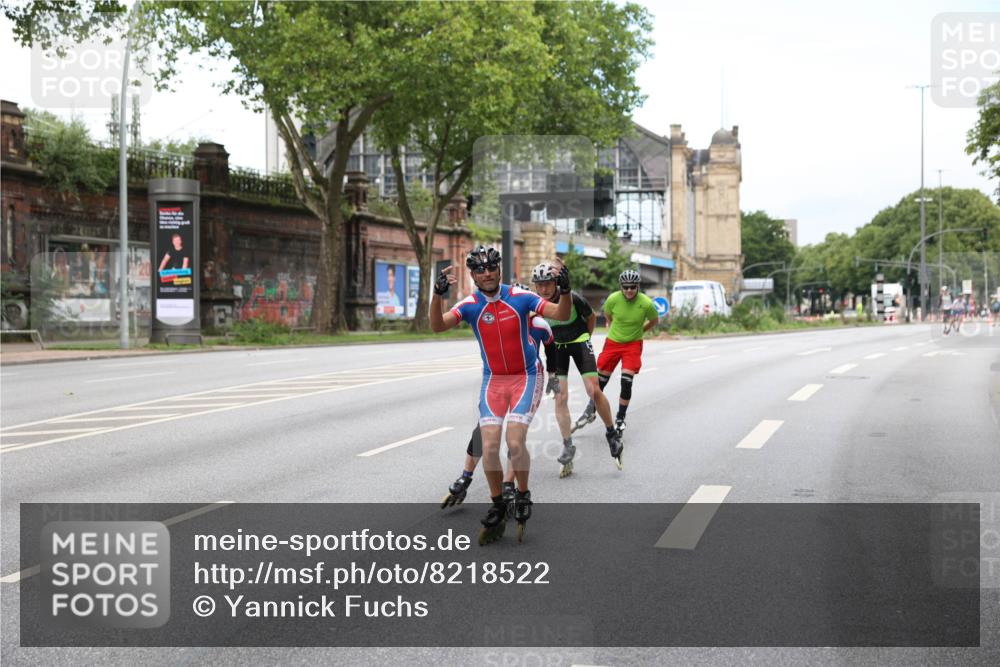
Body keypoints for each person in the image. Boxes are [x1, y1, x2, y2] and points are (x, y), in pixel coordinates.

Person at [430, 245, 572, 544]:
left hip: (526, 376)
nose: (487, 273)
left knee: (514, 441)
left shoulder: (520, 298)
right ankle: (497, 503)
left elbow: (560, 312)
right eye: (480, 270)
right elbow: (437, 326)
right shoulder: (469, 305)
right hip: (493, 380)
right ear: (472, 275)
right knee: (489, 444)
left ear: (499, 269)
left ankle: (522, 495)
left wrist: (566, 289)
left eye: (492, 267)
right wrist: (437, 296)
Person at [440, 315, 554, 511]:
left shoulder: (539, 325)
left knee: (515, 435)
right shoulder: (499, 320)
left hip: (527, 379)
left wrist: (553, 376)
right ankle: (465, 476)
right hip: (499, 379)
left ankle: (509, 483)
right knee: (483, 430)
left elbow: (552, 349)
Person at [529, 261, 621, 477]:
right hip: (557, 347)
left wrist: (586, 338)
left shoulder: (572, 297)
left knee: (593, 390)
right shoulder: (534, 304)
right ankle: (567, 444)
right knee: (560, 398)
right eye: (539, 285)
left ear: (555, 282)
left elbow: (590, 318)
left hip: (579, 341)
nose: (544, 289)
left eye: (548, 284)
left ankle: (611, 433)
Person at [577, 269, 658, 468]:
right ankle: (591, 409)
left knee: (626, 382)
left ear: (638, 287)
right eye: (625, 287)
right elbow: (608, 316)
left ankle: (620, 418)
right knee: (600, 381)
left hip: (633, 345)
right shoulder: (613, 299)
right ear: (620, 287)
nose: (629, 291)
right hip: (613, 343)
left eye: (632, 287)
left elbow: (654, 320)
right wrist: (616, 330)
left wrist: (641, 331)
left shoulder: (646, 303)